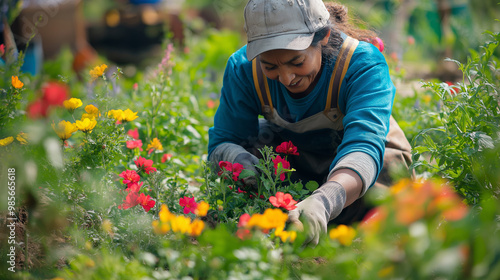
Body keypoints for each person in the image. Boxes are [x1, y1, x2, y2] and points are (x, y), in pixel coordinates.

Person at [208, 0, 413, 246]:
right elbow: (224, 141)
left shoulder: (361, 64)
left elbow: (364, 147)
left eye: (296, 62)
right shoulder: (244, 70)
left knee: (388, 172)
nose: (286, 78)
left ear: (324, 36)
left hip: (359, 171)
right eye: (269, 66)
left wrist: (326, 200)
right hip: (296, 161)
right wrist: (242, 163)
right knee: (252, 147)